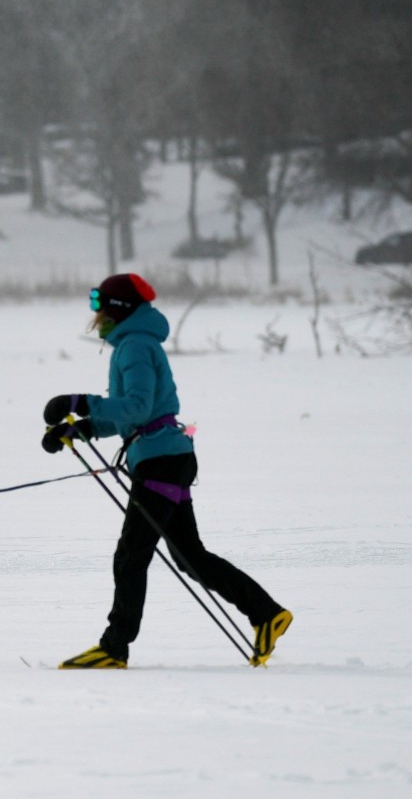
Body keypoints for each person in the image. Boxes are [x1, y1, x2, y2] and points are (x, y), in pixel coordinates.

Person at [41, 272, 293, 669]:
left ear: (118, 307)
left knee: (131, 556)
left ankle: (114, 648)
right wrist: (83, 428)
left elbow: (137, 407)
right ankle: (266, 614)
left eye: (99, 303)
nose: (95, 313)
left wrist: (79, 403)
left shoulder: (135, 346)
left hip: (160, 461)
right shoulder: (134, 343)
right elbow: (132, 414)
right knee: (189, 556)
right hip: (169, 457)